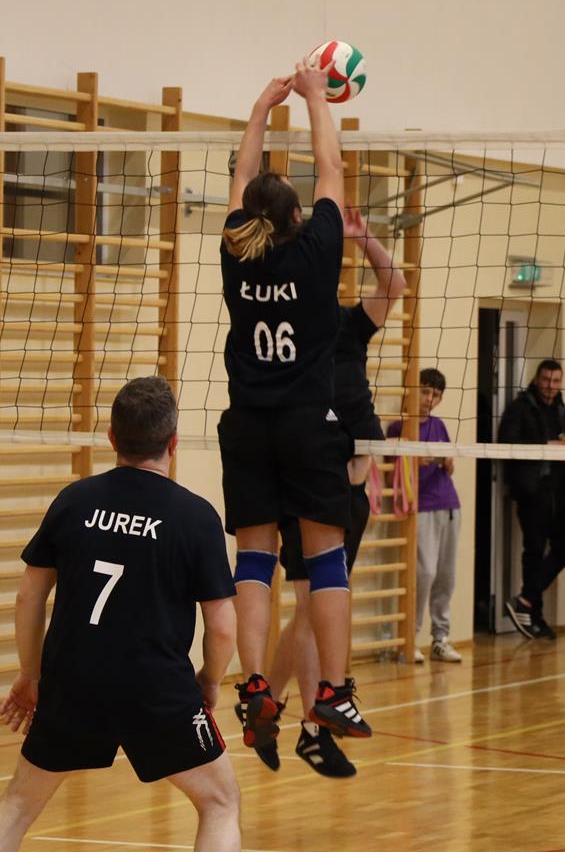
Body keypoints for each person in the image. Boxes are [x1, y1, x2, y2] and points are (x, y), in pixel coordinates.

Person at [0, 377, 240, 852]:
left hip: (73, 682)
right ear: (173, 442)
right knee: (220, 802)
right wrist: (210, 680)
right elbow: (221, 626)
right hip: (156, 686)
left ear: (112, 437)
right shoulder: (196, 517)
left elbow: (28, 598)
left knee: (15, 808)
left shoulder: (73, 501)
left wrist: (31, 675)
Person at [217, 64, 371, 756]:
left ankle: (255, 683)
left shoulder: (235, 252)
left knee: (254, 557)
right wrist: (315, 98)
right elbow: (331, 166)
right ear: (296, 217)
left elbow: (243, 175)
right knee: (325, 558)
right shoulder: (316, 252)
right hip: (309, 426)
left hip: (247, 425)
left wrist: (260, 109)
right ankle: (332, 691)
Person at [260, 204, 407, 778]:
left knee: (311, 611)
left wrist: (363, 235)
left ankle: (268, 709)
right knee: (311, 609)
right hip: (311, 483)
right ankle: (309, 729)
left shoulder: (346, 326)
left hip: (350, 491)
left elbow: (394, 284)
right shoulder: (289, 332)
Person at [388, 367, 464, 665]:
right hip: (421, 507)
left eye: (435, 394)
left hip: (449, 504)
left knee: (446, 574)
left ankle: (440, 638)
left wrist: (446, 460)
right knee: (425, 573)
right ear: (414, 390)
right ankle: (411, 637)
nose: (429, 399)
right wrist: (413, 462)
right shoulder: (399, 427)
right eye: (425, 391)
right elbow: (391, 472)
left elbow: (450, 465)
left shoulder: (439, 425)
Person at [498, 359, 565, 640]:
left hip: (559, 491)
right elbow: (506, 443)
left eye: (555, 381)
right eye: (545, 380)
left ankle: (526, 600)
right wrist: (544, 447)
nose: (549, 386)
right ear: (536, 378)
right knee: (534, 549)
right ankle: (535, 616)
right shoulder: (520, 408)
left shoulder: (563, 412)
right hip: (532, 490)